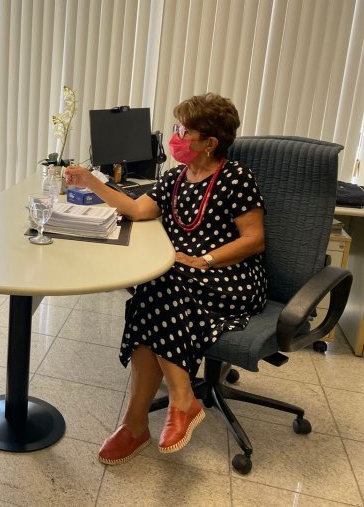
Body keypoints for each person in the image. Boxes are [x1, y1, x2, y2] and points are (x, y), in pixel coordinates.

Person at [65, 93, 267, 464]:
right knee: (156, 289)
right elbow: (136, 210)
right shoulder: (175, 178)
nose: (176, 137)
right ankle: (162, 410)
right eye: (177, 127)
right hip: (179, 277)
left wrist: (204, 260)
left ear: (210, 142)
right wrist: (90, 181)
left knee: (155, 286)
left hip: (229, 277)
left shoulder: (236, 177)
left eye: (185, 131)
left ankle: (154, 414)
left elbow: (254, 240)